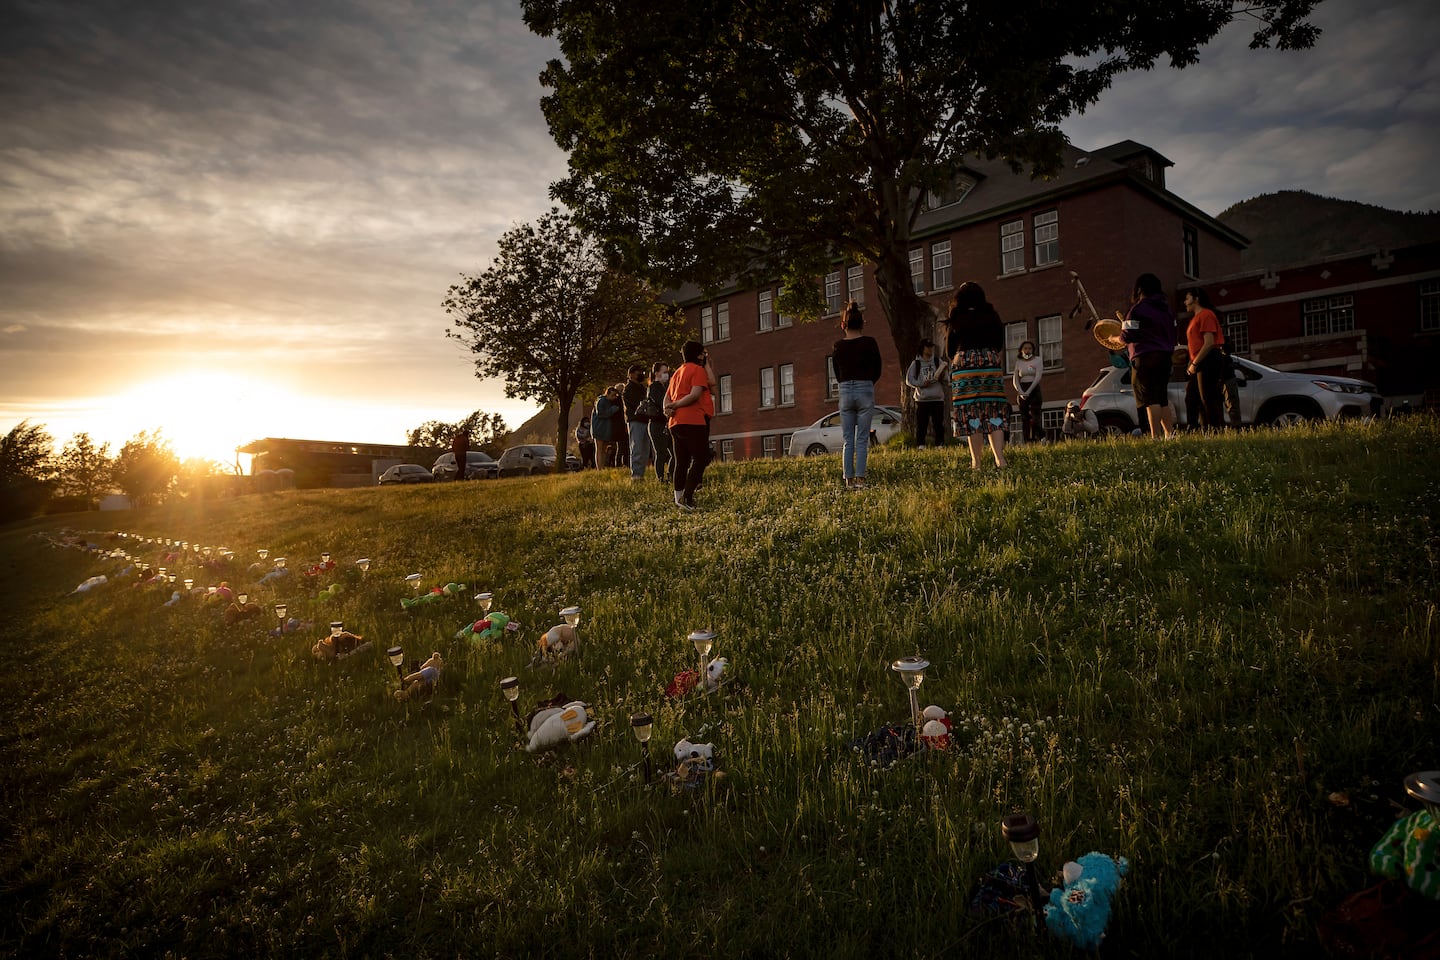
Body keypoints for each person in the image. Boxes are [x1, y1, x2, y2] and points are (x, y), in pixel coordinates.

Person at [944, 282, 1009, 470]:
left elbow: (949, 349)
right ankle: (1000, 459)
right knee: (993, 410)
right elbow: (998, 343)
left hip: (964, 365)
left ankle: (976, 462)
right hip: (989, 363)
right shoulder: (991, 315)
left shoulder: (956, 317)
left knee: (971, 414)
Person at [1117, 273, 1178, 439]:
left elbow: (1128, 335)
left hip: (1144, 357)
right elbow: (1173, 334)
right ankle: (1170, 435)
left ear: (1139, 289)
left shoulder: (1137, 310)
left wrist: (1115, 338)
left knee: (1150, 400)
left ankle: (1155, 437)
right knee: (1162, 398)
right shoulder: (1167, 311)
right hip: (1165, 357)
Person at [832, 301, 882, 489]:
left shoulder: (837, 346)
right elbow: (878, 368)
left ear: (843, 325)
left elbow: (837, 372)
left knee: (848, 439)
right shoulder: (870, 343)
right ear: (862, 323)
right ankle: (861, 480)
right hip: (864, 389)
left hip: (845, 390)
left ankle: (848, 480)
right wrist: (867, 382)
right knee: (862, 438)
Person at [663, 340, 717, 509]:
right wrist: (676, 405)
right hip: (692, 420)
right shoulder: (697, 370)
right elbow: (694, 395)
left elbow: (666, 398)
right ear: (699, 355)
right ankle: (687, 496)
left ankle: (678, 498)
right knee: (702, 458)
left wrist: (668, 408)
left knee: (682, 461)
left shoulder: (677, 373)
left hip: (675, 422)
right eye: (703, 354)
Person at [1182, 288, 1227, 431]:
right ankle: (1199, 428)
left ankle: (1216, 429)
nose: (1185, 302)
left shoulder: (1206, 315)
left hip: (1208, 359)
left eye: (1187, 298)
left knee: (1208, 397)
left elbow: (1209, 342)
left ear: (1196, 299)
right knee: (1192, 397)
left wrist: (1195, 363)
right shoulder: (1194, 318)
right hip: (1197, 360)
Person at [905, 339, 947, 448]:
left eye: (931, 347)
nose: (930, 349)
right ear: (922, 348)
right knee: (921, 424)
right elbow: (909, 380)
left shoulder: (938, 362)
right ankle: (921, 445)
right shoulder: (916, 363)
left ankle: (940, 444)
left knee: (938, 424)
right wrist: (921, 384)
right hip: (922, 399)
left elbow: (947, 379)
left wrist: (943, 377)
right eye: (927, 347)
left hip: (937, 399)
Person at [622, 364, 653, 481]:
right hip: (636, 421)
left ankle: (641, 475)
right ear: (631, 374)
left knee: (645, 450)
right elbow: (635, 406)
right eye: (638, 372)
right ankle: (636, 476)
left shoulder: (642, 388)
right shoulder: (628, 389)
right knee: (637, 448)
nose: (641, 374)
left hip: (645, 421)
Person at [647, 360, 674, 482]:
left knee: (674, 452)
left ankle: (671, 474)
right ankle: (661, 478)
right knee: (661, 452)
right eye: (664, 372)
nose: (666, 375)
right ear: (656, 373)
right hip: (657, 424)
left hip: (667, 423)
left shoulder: (665, 387)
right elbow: (661, 402)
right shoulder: (653, 387)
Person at [1013, 340, 1044, 443]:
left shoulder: (1038, 360)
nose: (1027, 350)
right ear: (1021, 350)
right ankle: (1027, 440)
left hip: (1034, 388)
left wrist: (1029, 391)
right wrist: (1021, 392)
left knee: (1035, 416)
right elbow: (1016, 379)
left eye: (1029, 348)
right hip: (1022, 389)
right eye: (1025, 348)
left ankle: (1039, 437)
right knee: (1025, 417)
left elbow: (1038, 376)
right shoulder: (1019, 362)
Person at [592, 386, 622, 468]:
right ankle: (599, 468)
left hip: (605, 429)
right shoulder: (601, 401)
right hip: (599, 428)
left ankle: (602, 466)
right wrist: (612, 410)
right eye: (612, 395)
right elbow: (601, 413)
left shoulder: (609, 401)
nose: (614, 397)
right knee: (599, 449)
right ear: (607, 394)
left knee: (603, 450)